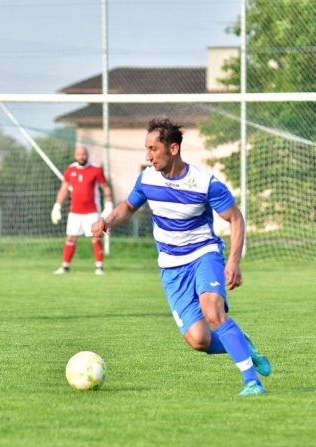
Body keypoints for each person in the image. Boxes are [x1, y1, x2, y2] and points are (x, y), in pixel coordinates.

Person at [92, 118, 271, 396]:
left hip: (204, 254)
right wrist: (107, 221)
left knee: (213, 311)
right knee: (198, 339)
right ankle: (241, 345)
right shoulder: (147, 179)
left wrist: (234, 260)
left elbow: (235, 219)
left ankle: (252, 381)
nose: (148, 156)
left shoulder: (204, 183)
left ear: (173, 148)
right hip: (171, 266)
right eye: (146, 149)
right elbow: (128, 206)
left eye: (153, 148)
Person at [51, 145, 113, 275]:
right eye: (79, 154)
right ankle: (65, 266)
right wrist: (57, 206)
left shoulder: (95, 169)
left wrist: (108, 204)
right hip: (74, 212)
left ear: (87, 155)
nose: (81, 157)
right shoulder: (70, 170)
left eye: (84, 154)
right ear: (75, 155)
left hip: (92, 211)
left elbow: (106, 188)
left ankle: (99, 267)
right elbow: (63, 189)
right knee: (70, 238)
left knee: (96, 238)